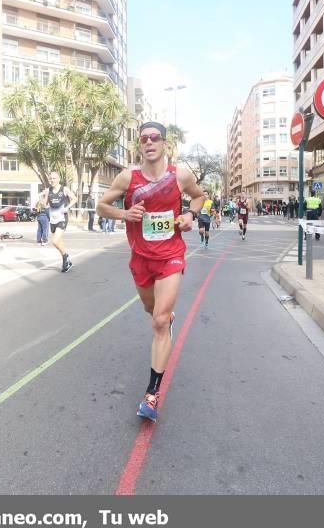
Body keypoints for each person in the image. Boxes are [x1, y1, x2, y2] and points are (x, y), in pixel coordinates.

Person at [96, 121, 204, 423]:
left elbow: (199, 195)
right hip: (141, 258)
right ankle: (163, 318)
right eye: (144, 138)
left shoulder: (180, 175)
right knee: (150, 309)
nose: (149, 142)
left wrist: (189, 214)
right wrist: (124, 213)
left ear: (165, 143)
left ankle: (152, 395)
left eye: (155, 138)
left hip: (170, 254)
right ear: (139, 145)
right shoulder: (127, 177)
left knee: (158, 322)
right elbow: (101, 206)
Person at [39, 171, 77, 273]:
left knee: (55, 241)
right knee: (59, 242)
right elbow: (44, 205)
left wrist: (67, 207)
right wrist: (41, 197)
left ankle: (65, 257)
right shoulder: (48, 191)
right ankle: (66, 259)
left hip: (62, 218)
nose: (52, 180)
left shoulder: (64, 189)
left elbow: (74, 199)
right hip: (53, 219)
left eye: (54, 178)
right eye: (50, 178)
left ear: (58, 179)